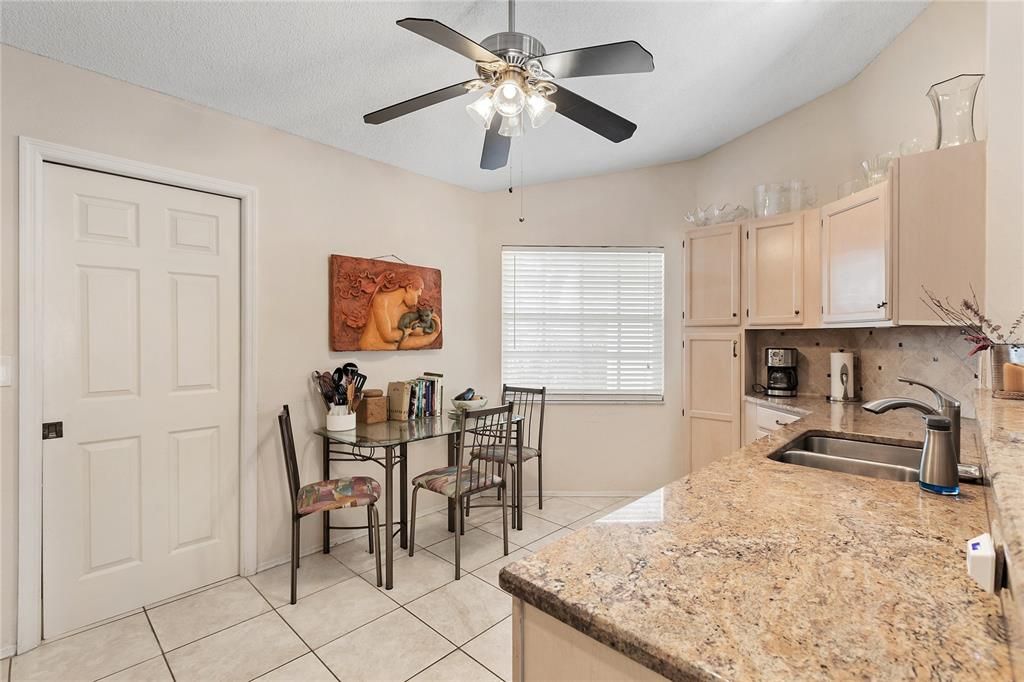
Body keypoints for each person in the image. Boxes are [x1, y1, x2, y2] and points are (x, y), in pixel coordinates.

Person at [358, 274, 441, 350]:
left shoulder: (405, 310)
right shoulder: (381, 300)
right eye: (417, 295)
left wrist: (434, 334)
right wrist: (411, 329)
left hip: (390, 358)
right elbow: (388, 336)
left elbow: (403, 344)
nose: (416, 302)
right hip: (370, 349)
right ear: (409, 287)